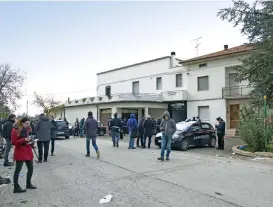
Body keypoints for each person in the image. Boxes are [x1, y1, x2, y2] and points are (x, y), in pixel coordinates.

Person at [11, 117, 36, 193]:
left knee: (31, 169)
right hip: (20, 152)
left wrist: (31, 141)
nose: (28, 125)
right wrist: (23, 140)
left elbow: (27, 139)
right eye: (26, 123)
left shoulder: (28, 129)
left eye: (29, 123)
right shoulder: (15, 130)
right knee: (18, 171)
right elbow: (14, 142)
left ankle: (28, 184)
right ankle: (16, 187)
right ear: (22, 123)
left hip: (28, 151)